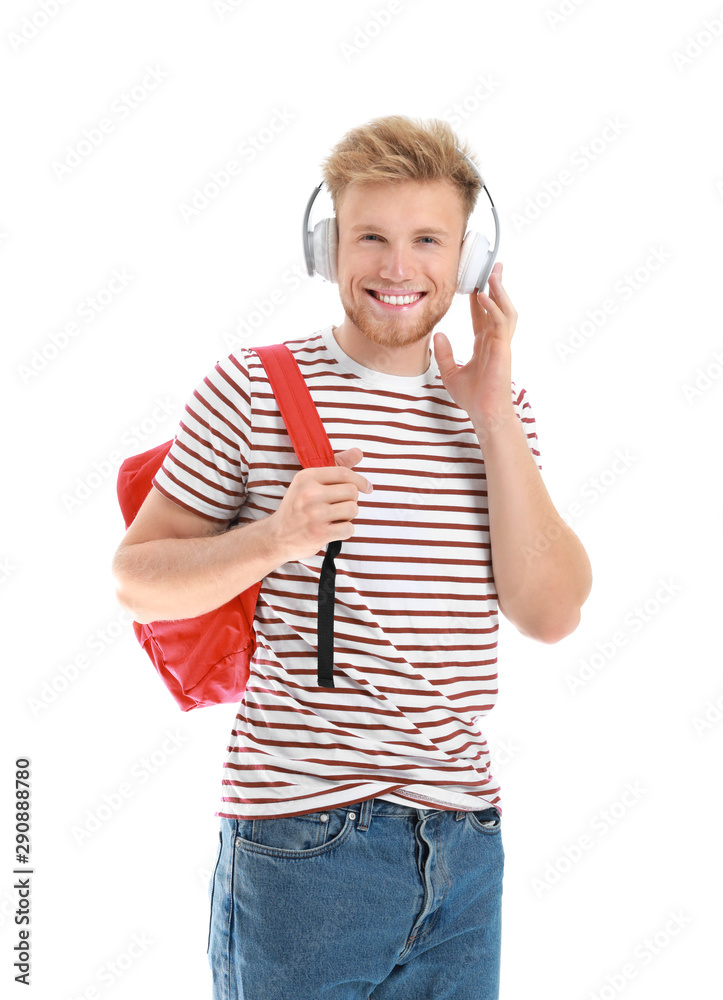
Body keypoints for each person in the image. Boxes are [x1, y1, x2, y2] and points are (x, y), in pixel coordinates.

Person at [112, 114, 592, 1000]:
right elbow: (137, 581)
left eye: (426, 240)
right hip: (306, 845)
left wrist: (489, 412)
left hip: (465, 837)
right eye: (370, 236)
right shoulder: (252, 386)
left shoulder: (498, 408)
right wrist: (275, 538)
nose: (398, 268)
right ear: (328, 246)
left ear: (469, 257)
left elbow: (552, 611)